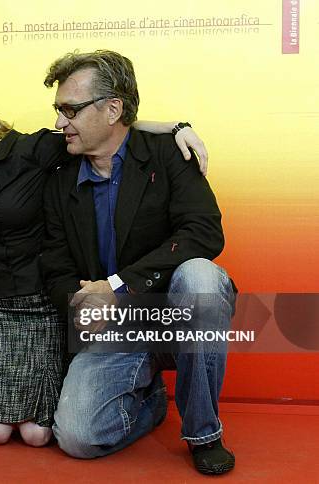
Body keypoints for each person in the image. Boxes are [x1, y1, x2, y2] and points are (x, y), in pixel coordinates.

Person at [0, 93, 210, 447]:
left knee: (38, 435)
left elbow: (106, 130)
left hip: (40, 302)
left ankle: (153, 398)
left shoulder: (31, 149)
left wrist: (175, 127)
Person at [40, 50, 236, 475]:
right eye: (58, 110)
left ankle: (204, 432)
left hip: (174, 311)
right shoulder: (57, 170)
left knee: (201, 276)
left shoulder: (168, 155)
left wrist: (118, 286)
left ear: (113, 109)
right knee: (77, 437)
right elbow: (54, 264)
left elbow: (204, 233)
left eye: (70, 109)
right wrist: (79, 302)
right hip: (114, 326)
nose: (60, 122)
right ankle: (150, 401)